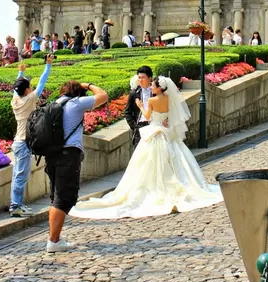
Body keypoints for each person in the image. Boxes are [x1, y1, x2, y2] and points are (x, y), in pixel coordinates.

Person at [72, 76, 223, 219]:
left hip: (154, 132)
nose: (151, 86)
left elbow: (148, 116)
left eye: (153, 85)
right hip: (166, 132)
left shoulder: (151, 100)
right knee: (176, 160)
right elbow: (171, 116)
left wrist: (140, 105)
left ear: (159, 88)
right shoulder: (169, 98)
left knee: (146, 164)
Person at [45, 80, 109, 253]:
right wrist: (87, 85)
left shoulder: (54, 104)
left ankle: (54, 238)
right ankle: (53, 240)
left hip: (51, 156)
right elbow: (103, 96)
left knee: (56, 197)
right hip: (68, 155)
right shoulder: (75, 103)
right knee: (63, 198)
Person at [10, 54, 54, 217]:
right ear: (27, 90)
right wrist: (48, 65)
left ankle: (17, 204)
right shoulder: (29, 99)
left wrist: (20, 73)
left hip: (18, 142)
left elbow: (16, 89)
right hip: (23, 143)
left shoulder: (16, 100)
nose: (32, 86)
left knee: (17, 175)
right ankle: (15, 206)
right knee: (21, 176)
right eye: (29, 85)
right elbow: (42, 83)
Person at [125, 66, 153, 150]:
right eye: (139, 78)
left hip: (154, 125)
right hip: (140, 126)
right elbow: (127, 112)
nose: (140, 80)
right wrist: (134, 126)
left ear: (150, 78)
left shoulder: (155, 91)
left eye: (143, 77)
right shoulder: (134, 93)